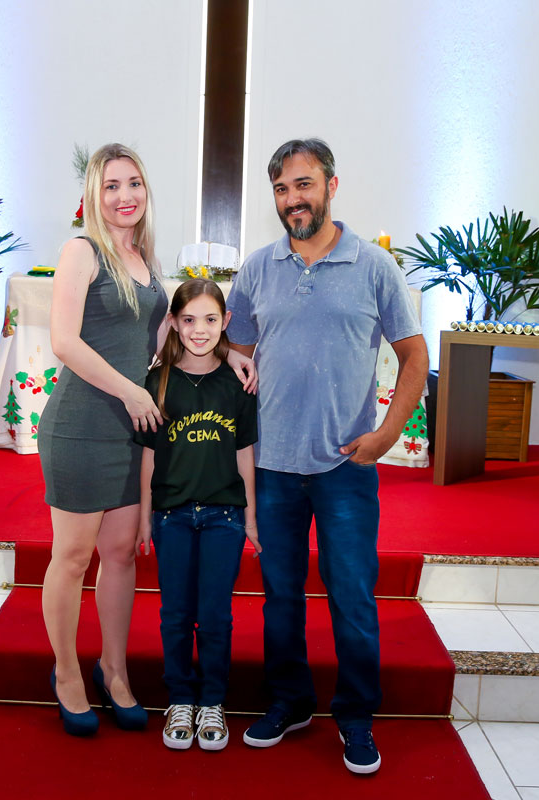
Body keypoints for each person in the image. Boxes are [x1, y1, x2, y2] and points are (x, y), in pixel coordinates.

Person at [38, 144, 254, 737]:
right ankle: (66, 674)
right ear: (94, 194)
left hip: (135, 431)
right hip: (83, 425)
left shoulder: (143, 260)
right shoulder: (81, 251)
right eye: (111, 185)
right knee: (72, 557)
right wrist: (132, 393)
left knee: (119, 555)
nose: (124, 195)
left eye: (133, 183)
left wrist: (230, 353)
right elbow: (63, 341)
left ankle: (114, 670)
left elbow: (168, 337)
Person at [226, 138, 428, 774]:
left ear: (331, 186)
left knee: (352, 597)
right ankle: (289, 702)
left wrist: (388, 433)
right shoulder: (258, 268)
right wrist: (233, 361)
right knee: (280, 596)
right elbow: (233, 347)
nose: (293, 200)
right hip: (274, 466)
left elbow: (415, 355)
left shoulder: (374, 266)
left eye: (304, 185)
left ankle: (357, 715)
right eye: (282, 189)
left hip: (346, 465)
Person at [134, 279, 261, 752]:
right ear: (173, 322)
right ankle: (180, 699)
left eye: (210, 319)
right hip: (172, 516)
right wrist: (145, 515)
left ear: (225, 322)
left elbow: (244, 451)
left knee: (214, 615)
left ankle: (212, 700)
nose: (199, 330)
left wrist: (250, 517)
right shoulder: (158, 380)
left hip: (224, 517)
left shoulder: (238, 382)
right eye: (188, 320)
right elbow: (149, 455)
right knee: (175, 613)